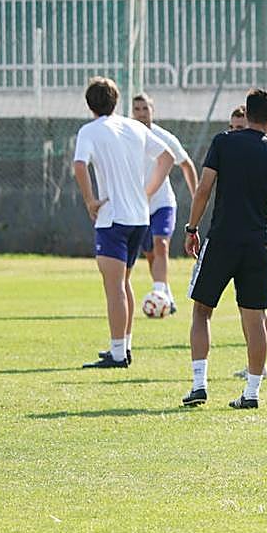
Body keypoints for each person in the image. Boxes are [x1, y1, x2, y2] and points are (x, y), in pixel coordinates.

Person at [181, 88, 267, 409]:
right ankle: (252, 392)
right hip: (258, 244)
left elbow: (204, 188)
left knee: (202, 311)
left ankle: (199, 384)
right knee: (255, 316)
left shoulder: (223, 143)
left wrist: (191, 228)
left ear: (249, 112)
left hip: (221, 240)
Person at [73, 77, 173, 369]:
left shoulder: (90, 130)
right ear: (116, 101)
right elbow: (166, 157)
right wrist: (148, 192)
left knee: (114, 285)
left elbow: (80, 165)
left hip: (112, 218)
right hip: (140, 218)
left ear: (90, 105)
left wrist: (90, 200)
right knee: (124, 282)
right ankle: (123, 347)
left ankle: (118, 354)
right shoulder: (134, 126)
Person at [131, 92, 198, 314]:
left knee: (161, 245)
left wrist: (197, 196)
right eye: (137, 109)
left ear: (153, 110)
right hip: (139, 207)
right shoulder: (127, 136)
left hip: (162, 203)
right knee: (150, 253)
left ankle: (158, 293)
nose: (141, 114)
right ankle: (165, 293)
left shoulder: (164, 137)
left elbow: (186, 164)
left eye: (145, 109)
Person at [225, 106, 267, 382]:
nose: (234, 134)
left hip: (263, 234)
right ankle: (257, 364)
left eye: (240, 128)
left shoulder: (264, 155)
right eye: (231, 128)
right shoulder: (232, 156)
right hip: (245, 235)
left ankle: (258, 366)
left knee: (253, 307)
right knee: (252, 307)